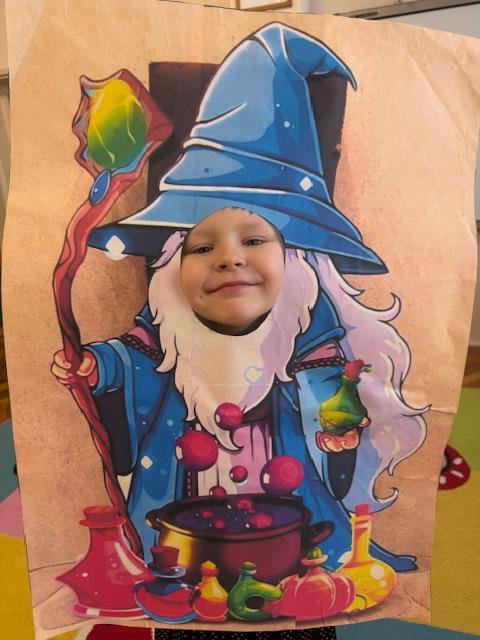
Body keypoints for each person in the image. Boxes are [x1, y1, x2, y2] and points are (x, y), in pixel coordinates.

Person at [52, 22, 427, 631]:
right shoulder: (167, 322)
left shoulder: (310, 326)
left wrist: (338, 423)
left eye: (254, 240)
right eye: (202, 247)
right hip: (187, 491)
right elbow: (139, 360)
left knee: (294, 587)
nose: (229, 258)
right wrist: (98, 367)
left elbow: (334, 392)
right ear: (174, 265)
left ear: (294, 260)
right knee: (186, 582)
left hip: (286, 504)